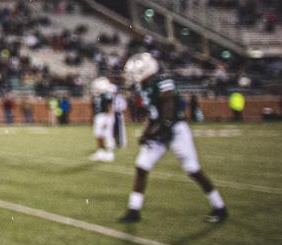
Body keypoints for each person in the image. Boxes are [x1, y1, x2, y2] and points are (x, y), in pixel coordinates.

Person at [118, 53, 227, 224]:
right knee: (141, 166)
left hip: (175, 129)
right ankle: (134, 210)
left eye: (133, 72)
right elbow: (152, 114)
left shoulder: (162, 80)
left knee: (192, 169)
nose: (130, 76)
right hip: (159, 130)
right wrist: (146, 132)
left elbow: (168, 102)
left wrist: (166, 125)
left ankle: (219, 207)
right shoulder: (143, 87)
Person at [88, 77, 117, 162]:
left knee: (108, 135)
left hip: (105, 116)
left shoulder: (107, 94)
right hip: (99, 116)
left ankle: (110, 153)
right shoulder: (97, 95)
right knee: (98, 135)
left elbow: (110, 108)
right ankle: (100, 152)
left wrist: (108, 120)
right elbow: (94, 108)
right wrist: (93, 117)